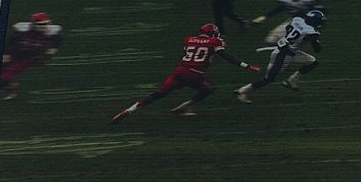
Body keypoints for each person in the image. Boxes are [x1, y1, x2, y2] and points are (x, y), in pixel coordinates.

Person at [110, 24, 261, 123]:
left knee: (158, 94)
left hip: (180, 70)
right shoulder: (215, 43)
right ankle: (182, 108)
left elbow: (190, 54)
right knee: (208, 89)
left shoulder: (189, 40)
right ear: (213, 34)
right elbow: (226, 57)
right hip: (194, 74)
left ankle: (129, 110)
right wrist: (247, 66)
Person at [235, 9, 324, 102]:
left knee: (312, 62)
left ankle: (291, 81)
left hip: (287, 50)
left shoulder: (297, 19)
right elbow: (317, 49)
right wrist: (315, 40)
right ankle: (242, 91)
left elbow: (288, 28)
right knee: (269, 78)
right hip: (283, 55)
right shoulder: (312, 32)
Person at [1, 11, 63, 99]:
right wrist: (6, 53)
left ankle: (10, 87)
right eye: (41, 25)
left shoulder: (51, 32)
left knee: (3, 76)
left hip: (30, 57)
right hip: (16, 53)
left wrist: (52, 50)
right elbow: (11, 40)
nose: (44, 27)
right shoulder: (24, 29)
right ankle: (10, 86)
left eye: (46, 24)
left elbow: (57, 40)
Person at [252, 0, 323, 43]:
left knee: (297, 42)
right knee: (272, 39)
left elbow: (318, 12)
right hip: (293, 21)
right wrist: (263, 17)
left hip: (307, 24)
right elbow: (277, 9)